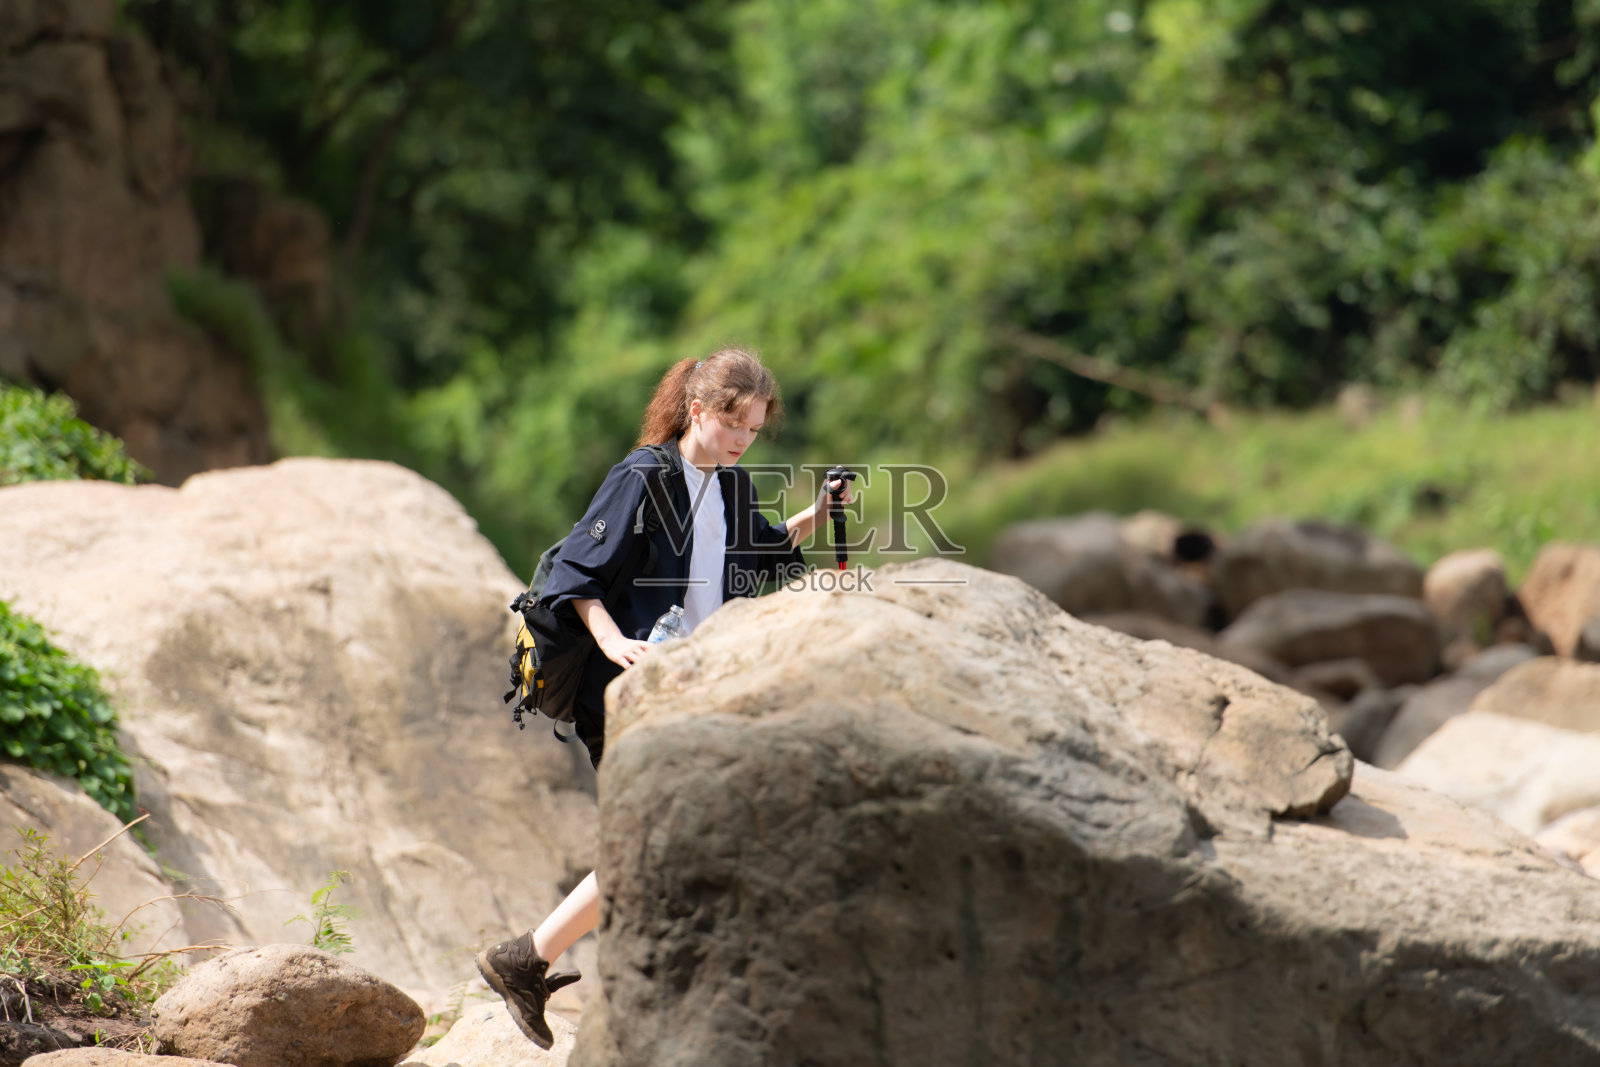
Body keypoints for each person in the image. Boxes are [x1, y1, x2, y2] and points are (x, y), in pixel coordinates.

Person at [475, 347, 855, 1048]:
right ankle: (529, 959)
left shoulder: (733, 487)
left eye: (755, 429)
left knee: (681, 833)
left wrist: (819, 510)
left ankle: (529, 958)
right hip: (626, 687)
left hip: (691, 686)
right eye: (733, 423)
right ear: (700, 409)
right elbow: (573, 574)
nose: (743, 440)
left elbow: (764, 554)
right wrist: (615, 641)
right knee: (657, 835)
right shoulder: (643, 476)